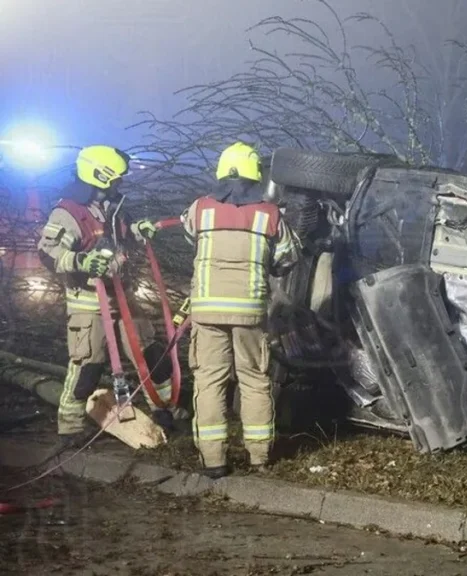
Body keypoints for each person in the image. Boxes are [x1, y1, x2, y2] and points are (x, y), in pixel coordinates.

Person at [36, 145, 188, 448]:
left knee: (151, 354)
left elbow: (121, 235)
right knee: (87, 366)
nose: (120, 182)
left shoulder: (113, 206)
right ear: (99, 175)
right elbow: (47, 252)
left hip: (123, 297)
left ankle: (166, 411)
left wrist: (139, 229)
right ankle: (70, 428)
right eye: (116, 177)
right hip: (89, 303)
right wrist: (81, 261)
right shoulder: (68, 212)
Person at [180, 142, 300, 478]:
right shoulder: (269, 214)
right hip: (249, 311)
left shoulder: (200, 208)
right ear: (255, 173)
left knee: (209, 380)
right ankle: (259, 457)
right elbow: (288, 257)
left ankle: (214, 460)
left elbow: (191, 239)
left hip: (207, 311)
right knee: (254, 380)